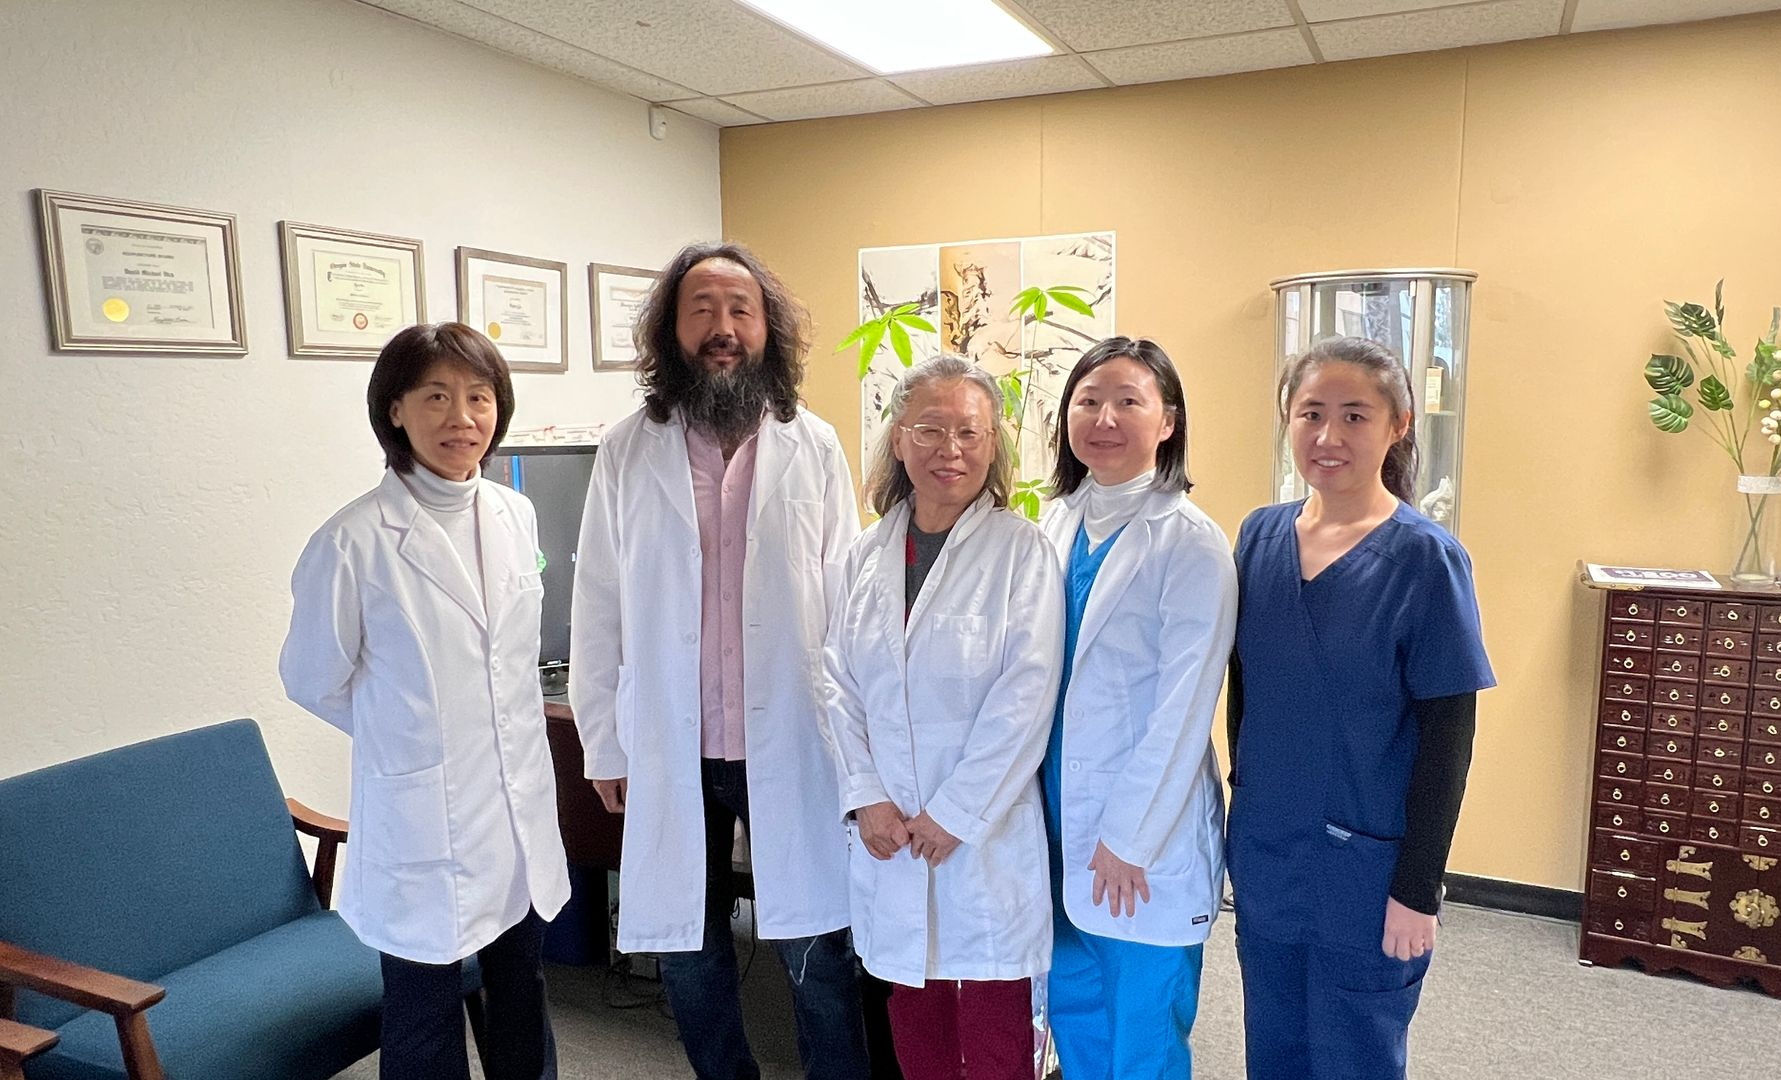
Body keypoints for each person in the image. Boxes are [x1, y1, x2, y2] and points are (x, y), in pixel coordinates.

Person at [569, 242, 870, 1080]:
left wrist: (860, 745)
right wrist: (602, 739)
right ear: (672, 329)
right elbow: (596, 600)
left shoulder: (813, 445)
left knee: (814, 946)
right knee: (689, 951)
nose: (722, 328)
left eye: (740, 309)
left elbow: (847, 601)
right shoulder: (628, 449)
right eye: (701, 309)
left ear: (769, 328)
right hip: (676, 738)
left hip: (795, 734)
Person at [280, 322, 568, 1080]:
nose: (461, 418)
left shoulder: (514, 515)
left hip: (514, 809)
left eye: (479, 397)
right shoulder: (352, 541)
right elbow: (311, 679)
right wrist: (410, 734)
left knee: (519, 994)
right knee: (422, 1016)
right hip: (420, 818)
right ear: (395, 410)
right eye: (435, 396)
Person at [1226, 336, 1495, 1080]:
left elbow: (1449, 736)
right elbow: (1245, 692)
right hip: (1268, 853)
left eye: (1353, 415)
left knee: (1354, 1052)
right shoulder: (1258, 536)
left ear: (1398, 424)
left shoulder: (1424, 558)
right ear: (1286, 418)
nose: (1328, 436)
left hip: (1367, 867)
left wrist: (1417, 888)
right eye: (1309, 413)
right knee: (1272, 1044)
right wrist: (1239, 817)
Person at [821, 354, 1064, 1080]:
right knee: (912, 1017)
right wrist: (864, 795)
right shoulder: (863, 556)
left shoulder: (1022, 553)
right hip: (890, 831)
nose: (948, 449)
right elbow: (834, 682)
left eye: (969, 431)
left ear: (993, 446)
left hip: (978, 838)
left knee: (993, 1026)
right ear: (898, 440)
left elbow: (1026, 695)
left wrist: (955, 813)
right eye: (929, 429)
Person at [1037, 337, 1236, 1080]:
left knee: (1142, 1033)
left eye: (1128, 400)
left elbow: (1183, 710)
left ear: (1168, 421)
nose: (1104, 417)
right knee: (1075, 1005)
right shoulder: (1053, 523)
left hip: (1137, 834)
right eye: (1087, 400)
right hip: (1053, 815)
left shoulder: (1190, 543)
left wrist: (1128, 837)